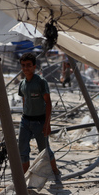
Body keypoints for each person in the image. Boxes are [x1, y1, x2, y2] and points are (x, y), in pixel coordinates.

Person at [18, 53, 62, 186]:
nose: (26, 68)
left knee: (44, 150)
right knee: (22, 150)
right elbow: (24, 100)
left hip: (39, 121)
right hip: (25, 121)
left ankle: (55, 171)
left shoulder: (41, 82)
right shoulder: (22, 84)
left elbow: (48, 103)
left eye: (29, 66)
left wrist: (47, 124)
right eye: (23, 66)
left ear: (34, 67)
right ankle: (26, 178)